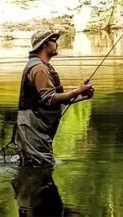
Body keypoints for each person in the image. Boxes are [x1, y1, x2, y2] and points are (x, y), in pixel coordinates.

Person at [15, 29, 94, 167]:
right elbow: (49, 99)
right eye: (54, 40)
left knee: (37, 167)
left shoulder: (42, 66)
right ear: (45, 44)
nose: (57, 43)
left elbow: (50, 100)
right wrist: (76, 91)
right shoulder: (39, 68)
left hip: (35, 127)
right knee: (39, 168)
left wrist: (80, 96)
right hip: (33, 128)